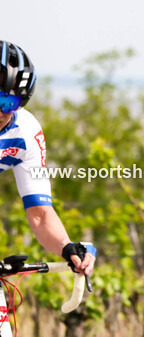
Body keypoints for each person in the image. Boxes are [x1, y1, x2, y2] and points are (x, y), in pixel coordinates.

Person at [0, 42, 96, 276]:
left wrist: (66, 247)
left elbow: (40, 214)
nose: (0, 112)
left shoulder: (26, 132)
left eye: (8, 103)